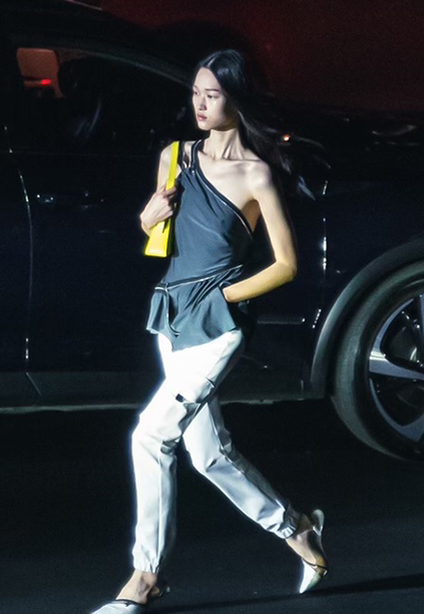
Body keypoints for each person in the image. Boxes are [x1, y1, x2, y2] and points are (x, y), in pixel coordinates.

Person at [88, 50, 327, 614]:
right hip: (172, 316)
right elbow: (160, 241)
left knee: (151, 436)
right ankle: (298, 530)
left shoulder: (255, 173)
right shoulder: (175, 157)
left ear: (236, 99)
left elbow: (286, 264)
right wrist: (147, 218)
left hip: (218, 327)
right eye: (195, 92)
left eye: (212, 95)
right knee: (210, 455)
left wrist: (224, 297)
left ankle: (145, 577)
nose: (199, 104)